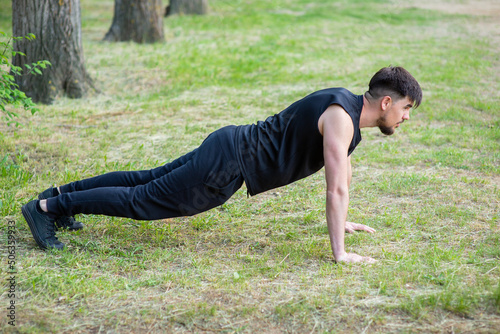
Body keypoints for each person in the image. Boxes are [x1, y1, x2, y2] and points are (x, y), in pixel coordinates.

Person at [22, 66, 422, 264]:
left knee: (144, 181)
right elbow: (336, 188)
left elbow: (344, 174)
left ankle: (59, 196)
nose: (405, 118)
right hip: (228, 165)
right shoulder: (340, 118)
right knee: (142, 201)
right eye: (405, 109)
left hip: (228, 147)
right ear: (387, 102)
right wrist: (340, 253)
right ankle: (46, 210)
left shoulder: (347, 111)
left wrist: (345, 220)